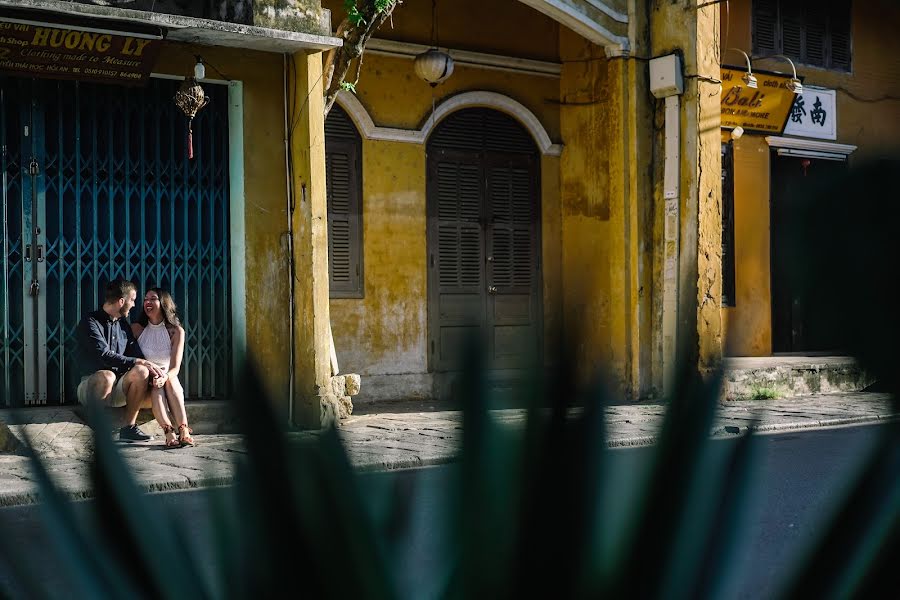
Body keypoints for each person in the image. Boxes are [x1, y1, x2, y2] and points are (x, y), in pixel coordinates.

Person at [76, 279, 165, 442]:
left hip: (119, 386)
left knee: (142, 370)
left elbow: (137, 354)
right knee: (107, 376)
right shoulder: (90, 321)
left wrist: (153, 372)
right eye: (132, 300)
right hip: (91, 385)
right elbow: (103, 355)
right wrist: (137, 361)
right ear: (121, 301)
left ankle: (128, 428)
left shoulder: (124, 325)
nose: (133, 305)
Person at [131, 287, 194, 448]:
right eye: (145, 299)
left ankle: (183, 430)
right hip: (145, 381)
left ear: (164, 303)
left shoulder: (176, 332)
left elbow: (175, 368)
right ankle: (168, 432)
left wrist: (164, 377)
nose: (147, 302)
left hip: (167, 378)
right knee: (157, 384)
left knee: (169, 381)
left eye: (153, 299)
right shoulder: (137, 329)